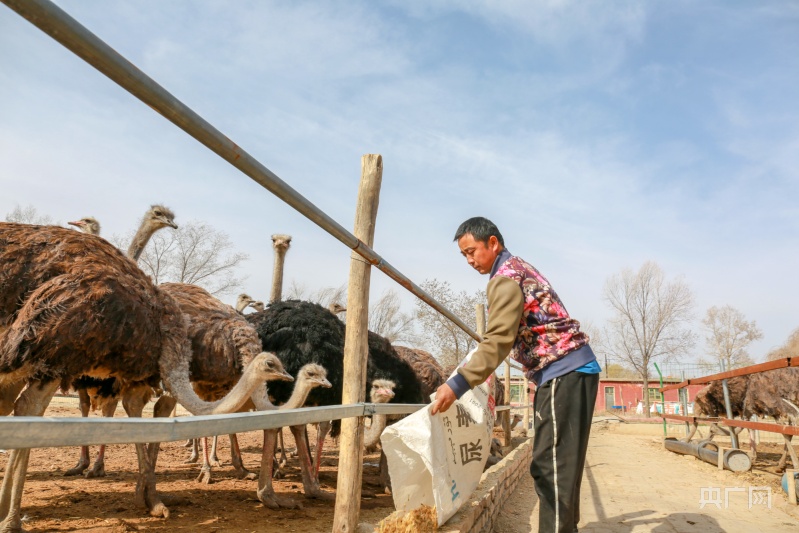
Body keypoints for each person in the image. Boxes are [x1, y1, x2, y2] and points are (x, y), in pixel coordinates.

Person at [430, 216, 600, 533]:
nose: (469, 260)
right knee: (563, 464)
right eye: (463, 255)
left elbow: (497, 340)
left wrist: (456, 384)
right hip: (574, 368)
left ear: (493, 243)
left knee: (549, 467)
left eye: (472, 251)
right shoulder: (517, 269)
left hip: (563, 369)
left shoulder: (505, 279)